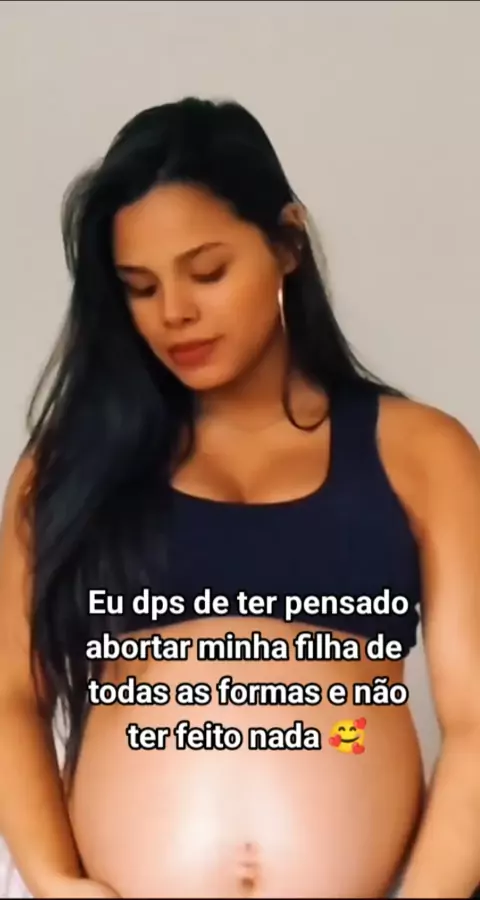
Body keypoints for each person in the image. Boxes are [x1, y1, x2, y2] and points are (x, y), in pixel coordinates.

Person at [0, 96, 479, 900]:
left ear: (287, 242)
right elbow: (10, 697)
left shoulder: (421, 452)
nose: (175, 313)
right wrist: (53, 881)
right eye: (140, 287)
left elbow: (476, 722)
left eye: (208, 272)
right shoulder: (68, 466)